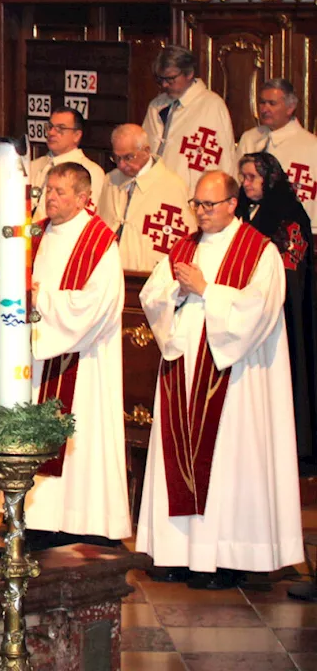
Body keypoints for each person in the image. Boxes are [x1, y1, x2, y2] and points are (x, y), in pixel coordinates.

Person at [137, 170, 302, 590]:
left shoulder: (259, 251)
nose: (201, 213)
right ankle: (177, 553)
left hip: (233, 374)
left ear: (233, 204)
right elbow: (151, 295)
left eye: (209, 205)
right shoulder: (184, 246)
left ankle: (227, 558)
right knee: (179, 457)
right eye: (196, 204)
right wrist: (175, 291)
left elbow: (260, 309)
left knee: (226, 462)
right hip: (183, 364)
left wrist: (207, 291)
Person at [25, 163, 130, 546]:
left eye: (60, 191)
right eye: (47, 190)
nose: (50, 198)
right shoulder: (36, 234)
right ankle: (40, 518)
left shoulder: (99, 241)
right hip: (40, 354)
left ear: (84, 198)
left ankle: (88, 522)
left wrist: (44, 299)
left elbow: (100, 304)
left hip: (84, 361)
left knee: (83, 436)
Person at [237, 152, 317, 470]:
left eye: (252, 177)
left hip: (284, 310)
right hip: (246, 307)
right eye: (243, 177)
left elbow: (291, 268)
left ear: (269, 178)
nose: (246, 184)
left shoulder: (289, 213)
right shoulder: (240, 211)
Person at [98, 124, 196, 273]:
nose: (122, 165)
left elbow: (183, 240)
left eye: (128, 157)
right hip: (109, 272)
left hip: (148, 275)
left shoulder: (172, 186)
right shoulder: (110, 180)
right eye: (117, 158)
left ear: (146, 151)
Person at [142, 45, 237, 191]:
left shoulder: (211, 106)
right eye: (160, 79)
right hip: (155, 191)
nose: (164, 85)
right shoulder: (157, 105)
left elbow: (223, 160)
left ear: (189, 73)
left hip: (191, 193)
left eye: (170, 79)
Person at [236, 79, 317, 233]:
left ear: (290, 107)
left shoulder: (312, 146)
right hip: (250, 229)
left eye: (272, 104)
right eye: (262, 102)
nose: (265, 108)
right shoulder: (250, 138)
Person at [27, 107, 105, 220]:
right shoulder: (33, 166)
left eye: (60, 129)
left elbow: (88, 216)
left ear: (76, 135)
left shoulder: (91, 171)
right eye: (49, 127)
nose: (51, 132)